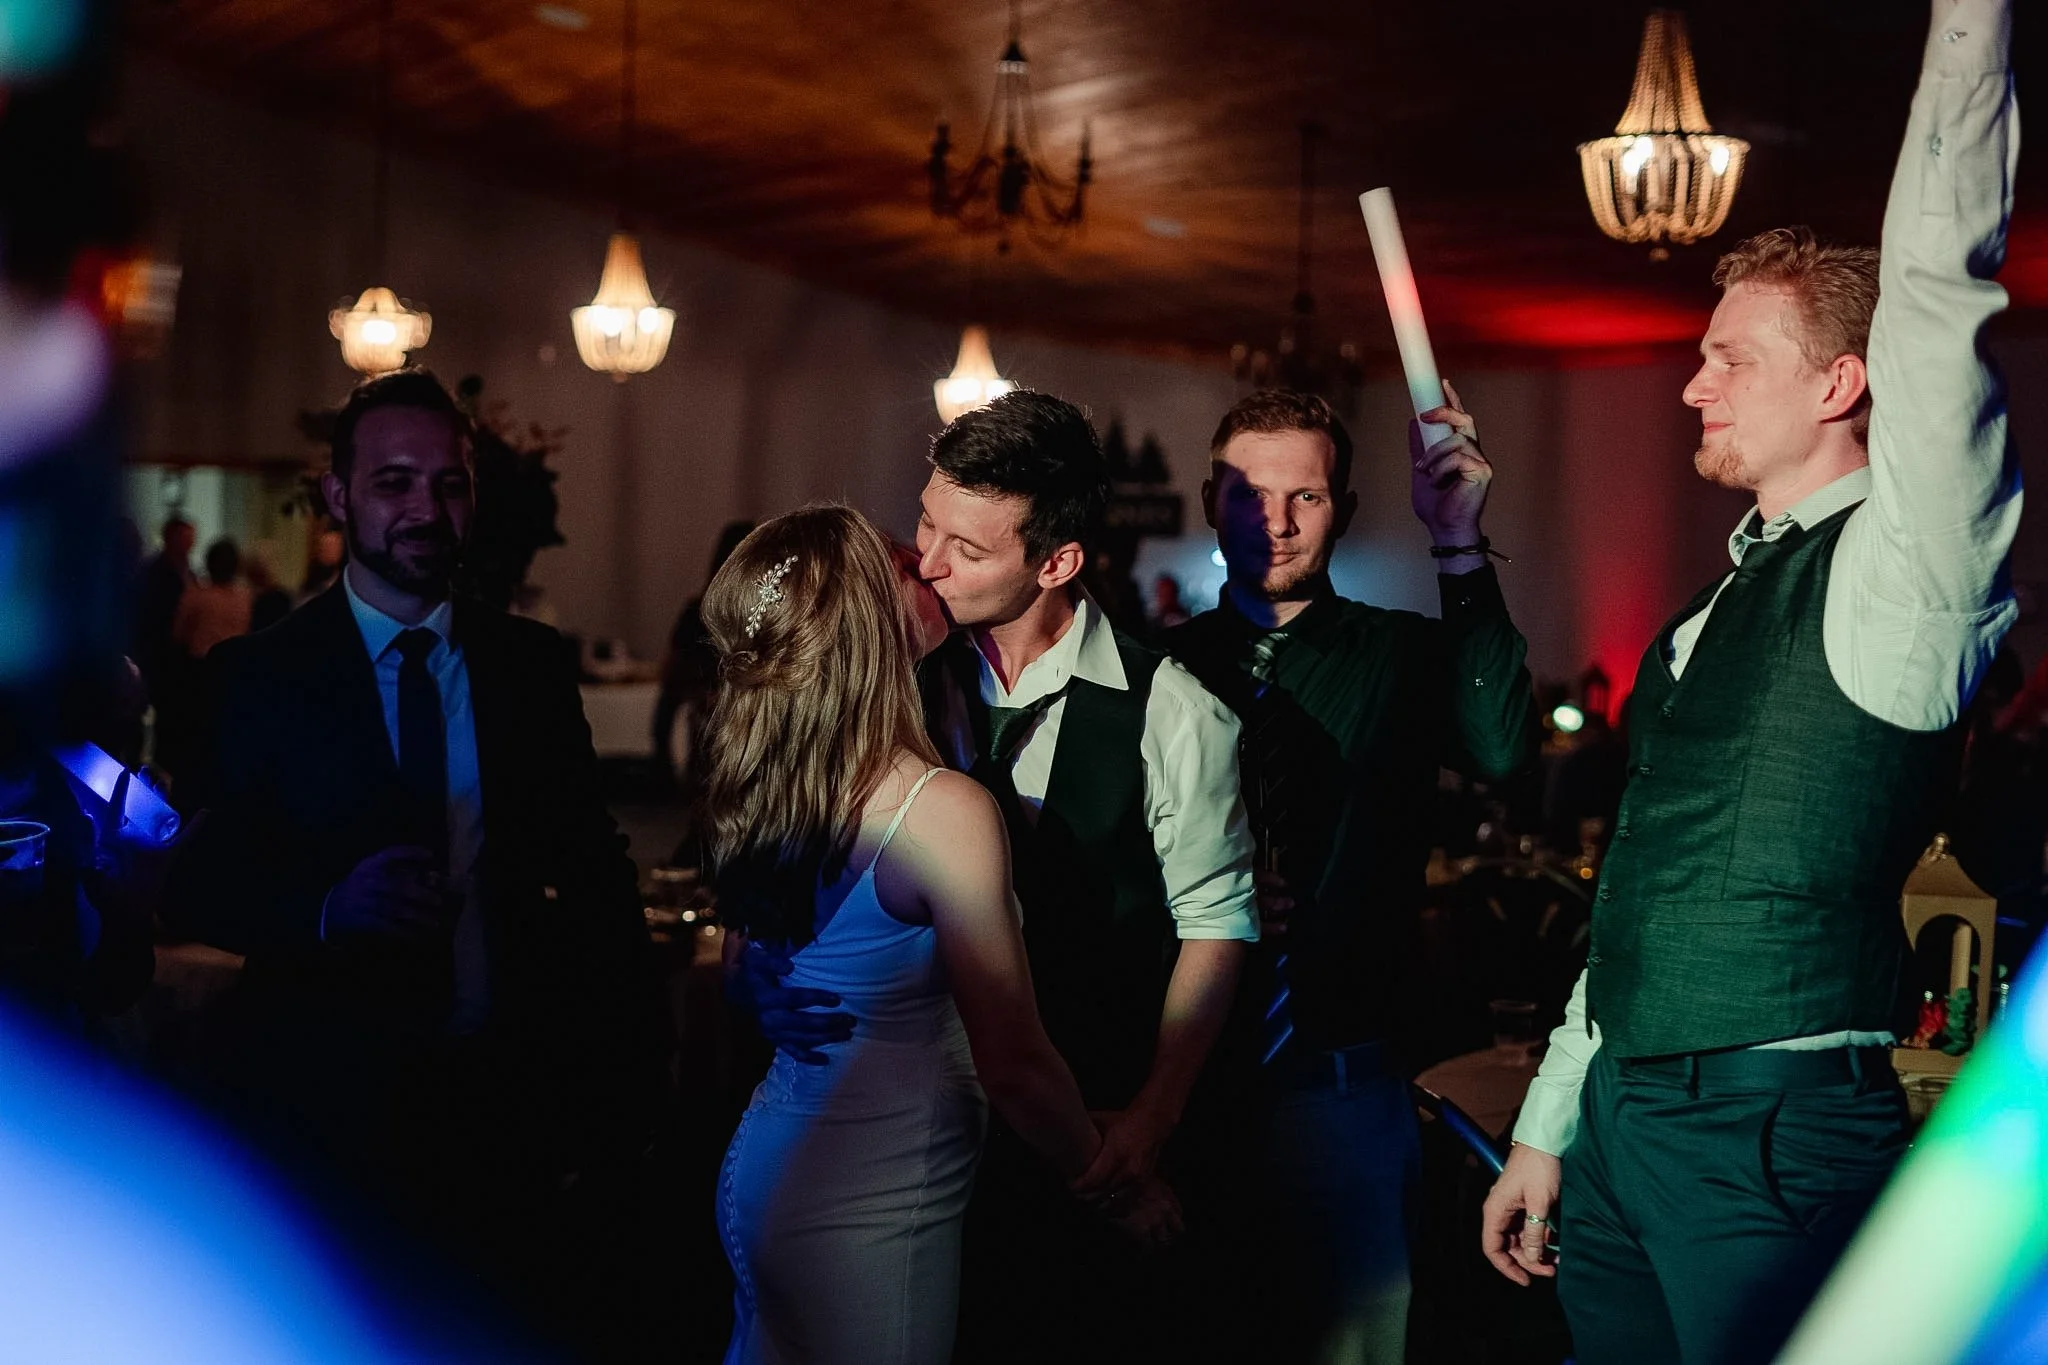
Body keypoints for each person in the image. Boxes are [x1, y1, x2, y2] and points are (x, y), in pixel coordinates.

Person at [1480, 5, 2022, 1361]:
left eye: (1730, 358)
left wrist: (1967, 24)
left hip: (1772, 1132)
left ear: (1845, 380)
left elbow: (1940, 298)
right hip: (1618, 1125)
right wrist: (1553, 1121)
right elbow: (1639, 900)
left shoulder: (1905, 574)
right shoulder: (1698, 619)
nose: (1690, 387)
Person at [161, 367, 667, 1346]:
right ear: (340, 495)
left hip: (507, 1116)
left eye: (448, 484)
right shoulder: (261, 675)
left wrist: (630, 1081)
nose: (426, 509)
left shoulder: (525, 667)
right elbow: (193, 880)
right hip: (326, 1113)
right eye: (394, 483)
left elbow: (596, 872)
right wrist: (322, 906)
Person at [706, 505, 1170, 1365]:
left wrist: (756, 981)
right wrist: (1111, 1185)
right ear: (865, 619)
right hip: (871, 1199)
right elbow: (1015, 1060)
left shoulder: (788, 780)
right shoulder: (935, 810)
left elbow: (743, 961)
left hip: (769, 1169)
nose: (927, 559)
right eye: (901, 558)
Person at [1164, 387, 1537, 1363]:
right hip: (1185, 1089)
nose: (1276, 522)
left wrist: (1456, 542)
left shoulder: (1398, 655)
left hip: (1346, 1085)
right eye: (1249, 494)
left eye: (1306, 498)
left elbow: (1500, 749)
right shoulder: (1155, 671)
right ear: (1210, 500)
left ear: (1345, 509)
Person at [911, 391, 1256, 1362]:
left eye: (967, 550)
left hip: (1088, 1126)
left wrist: (1152, 1116)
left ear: (1055, 562)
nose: (930, 562)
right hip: (922, 1132)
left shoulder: (1175, 712)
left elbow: (1217, 925)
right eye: (926, 524)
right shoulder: (907, 680)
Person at [654, 518, 754, 786]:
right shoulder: (704, 614)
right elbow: (673, 677)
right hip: (718, 728)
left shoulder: (701, 611)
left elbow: (670, 682)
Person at [171, 537, 252, 661]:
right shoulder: (245, 596)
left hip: (201, 664)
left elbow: (179, 634)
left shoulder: (196, 595)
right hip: (235, 662)